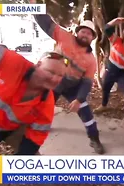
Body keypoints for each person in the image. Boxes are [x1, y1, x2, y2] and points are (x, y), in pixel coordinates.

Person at [0, 12, 67, 186]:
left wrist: (17, 164)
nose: (55, 79)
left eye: (60, 76)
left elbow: (36, 136)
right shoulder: (11, 63)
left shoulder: (45, 104)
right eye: (51, 72)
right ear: (38, 65)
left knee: (35, 167)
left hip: (9, 129)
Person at [31, 0, 104, 154]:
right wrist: (34, 4)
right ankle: (33, 137)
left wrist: (79, 99)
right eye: (83, 31)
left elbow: (87, 82)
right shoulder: (64, 36)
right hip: (54, 82)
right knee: (43, 107)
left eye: (89, 33)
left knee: (86, 114)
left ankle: (94, 139)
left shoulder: (90, 60)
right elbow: (45, 22)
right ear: (77, 32)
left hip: (73, 86)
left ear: (92, 38)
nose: (85, 35)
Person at [93, 17, 124, 131]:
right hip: (110, 69)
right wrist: (114, 22)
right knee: (105, 88)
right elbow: (106, 29)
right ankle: (103, 105)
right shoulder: (116, 40)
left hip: (121, 73)